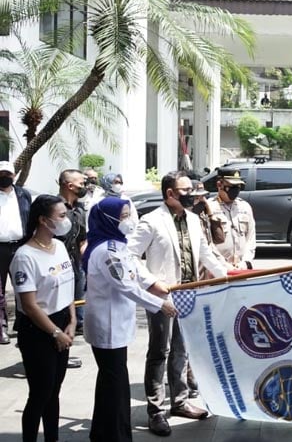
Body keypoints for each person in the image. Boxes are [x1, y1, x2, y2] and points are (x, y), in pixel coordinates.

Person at [128, 171, 229, 436]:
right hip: (163, 297)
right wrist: (151, 283)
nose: (192, 195)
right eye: (185, 191)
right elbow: (129, 256)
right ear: (170, 193)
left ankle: (180, 402)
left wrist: (227, 277)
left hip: (190, 294)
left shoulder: (194, 220)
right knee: (159, 351)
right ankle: (156, 411)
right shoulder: (151, 221)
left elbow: (206, 254)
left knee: (182, 352)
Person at [83, 197, 177, 442]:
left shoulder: (119, 245)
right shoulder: (106, 251)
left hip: (118, 324)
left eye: (128, 213)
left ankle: (106, 432)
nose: (128, 219)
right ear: (108, 219)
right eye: (123, 215)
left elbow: (133, 275)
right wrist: (160, 305)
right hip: (107, 326)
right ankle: (114, 435)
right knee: (114, 383)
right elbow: (125, 286)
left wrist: (154, 289)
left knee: (112, 381)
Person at [10, 194, 76, 442]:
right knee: (40, 393)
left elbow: (67, 286)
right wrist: (55, 333)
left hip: (61, 323)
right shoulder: (25, 256)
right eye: (60, 216)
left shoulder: (58, 246)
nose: (65, 220)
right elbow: (29, 304)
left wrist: (71, 321)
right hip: (38, 329)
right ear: (43, 220)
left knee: (54, 392)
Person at [0, 160, 31, 345]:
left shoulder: (22, 194)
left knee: (23, 288)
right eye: (1, 174)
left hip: (20, 247)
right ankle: (1, 328)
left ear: (13, 175)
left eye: (8, 174)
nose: (4, 177)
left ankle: (22, 327)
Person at [56, 169, 88, 340]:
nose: (84, 187)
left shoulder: (80, 208)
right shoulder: (53, 207)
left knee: (75, 302)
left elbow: (82, 239)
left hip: (76, 264)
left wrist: (86, 262)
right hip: (56, 266)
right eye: (81, 184)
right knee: (59, 306)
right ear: (69, 186)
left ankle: (70, 338)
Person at [207, 168, 256, 269]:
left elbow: (251, 238)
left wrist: (245, 262)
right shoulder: (209, 208)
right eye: (232, 186)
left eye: (238, 186)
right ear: (219, 185)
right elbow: (207, 243)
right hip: (218, 269)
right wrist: (224, 265)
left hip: (241, 268)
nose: (236, 189)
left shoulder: (244, 207)